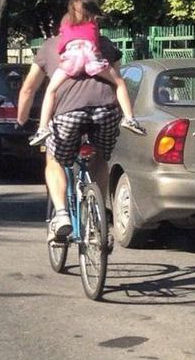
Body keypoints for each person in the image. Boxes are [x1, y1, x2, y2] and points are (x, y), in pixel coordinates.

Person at [17, 26, 144, 243]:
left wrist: (21, 120)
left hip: (67, 115)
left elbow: (29, 89)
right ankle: (96, 214)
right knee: (100, 157)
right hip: (105, 113)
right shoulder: (105, 45)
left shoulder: (50, 46)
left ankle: (61, 215)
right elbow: (118, 83)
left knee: (54, 160)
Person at [29, 0, 145, 146]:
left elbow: (61, 45)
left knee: (51, 90)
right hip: (91, 57)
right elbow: (96, 39)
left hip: (72, 59)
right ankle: (129, 119)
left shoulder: (66, 24)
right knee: (119, 83)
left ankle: (43, 128)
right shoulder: (93, 23)